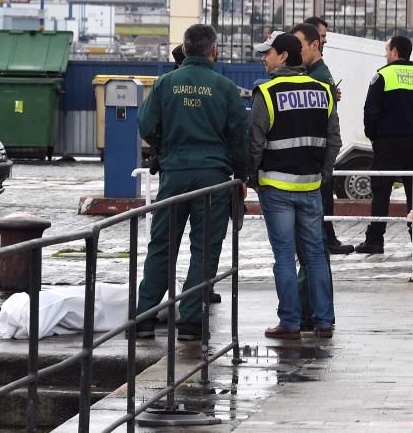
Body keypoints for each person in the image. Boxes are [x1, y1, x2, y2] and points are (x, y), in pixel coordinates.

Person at [134, 24, 249, 340]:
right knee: (204, 249)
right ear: (214, 50)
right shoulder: (225, 88)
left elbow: (145, 125)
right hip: (213, 178)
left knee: (161, 246)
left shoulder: (165, 84)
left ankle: (144, 318)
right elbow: (240, 137)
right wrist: (241, 176)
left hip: (174, 176)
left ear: (184, 50)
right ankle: (189, 320)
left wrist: (165, 147)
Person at [250, 32, 340, 339]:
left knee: (285, 256)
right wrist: (323, 174)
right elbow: (334, 140)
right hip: (311, 187)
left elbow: (255, 143)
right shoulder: (323, 91)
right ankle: (324, 321)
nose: (264, 58)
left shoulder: (267, 91)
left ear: (283, 56)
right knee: (315, 255)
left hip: (276, 188)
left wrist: (251, 178)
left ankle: (289, 322)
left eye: (268, 53)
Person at [355, 35, 413, 255]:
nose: (385, 54)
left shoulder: (382, 76)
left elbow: (370, 112)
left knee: (381, 193)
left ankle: (375, 240)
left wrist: (374, 138)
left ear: (395, 52)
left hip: (386, 143)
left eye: (387, 50)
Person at [291, 22, 353, 255]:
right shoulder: (315, 72)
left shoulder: (315, 75)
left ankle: (325, 242)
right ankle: (326, 241)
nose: (325, 40)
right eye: (322, 36)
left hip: (315, 158)